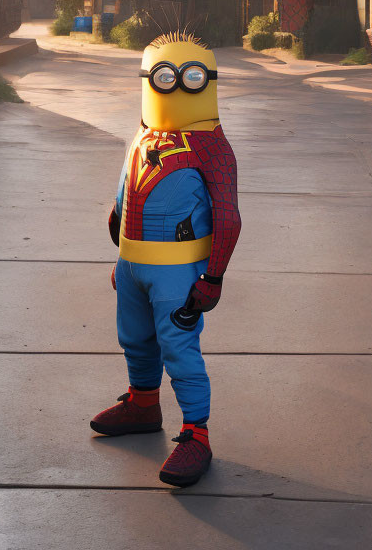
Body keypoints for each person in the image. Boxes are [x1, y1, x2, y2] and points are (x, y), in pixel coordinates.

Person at [90, 31, 241, 488]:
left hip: (178, 271)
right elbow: (123, 192)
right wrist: (123, 254)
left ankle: (197, 432)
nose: (174, 85)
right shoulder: (142, 132)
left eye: (188, 77)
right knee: (135, 338)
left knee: (179, 347)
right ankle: (143, 403)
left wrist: (212, 278)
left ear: (206, 81)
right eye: (163, 76)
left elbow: (227, 217)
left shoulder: (211, 146)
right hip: (134, 263)